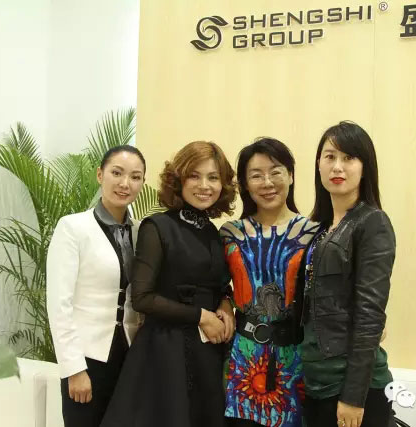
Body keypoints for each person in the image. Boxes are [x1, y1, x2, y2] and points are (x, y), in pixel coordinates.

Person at [101, 141, 237, 427]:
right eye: (194, 176)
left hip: (205, 354)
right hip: (163, 354)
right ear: (179, 179)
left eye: (213, 177)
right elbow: (142, 298)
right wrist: (201, 316)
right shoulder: (157, 227)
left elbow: (219, 284)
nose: (204, 185)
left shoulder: (213, 232)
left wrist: (226, 303)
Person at [300, 121, 396, 427]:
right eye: (329, 157)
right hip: (315, 380)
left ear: (365, 167)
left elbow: (370, 315)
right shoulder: (318, 227)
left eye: (348, 158)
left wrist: (354, 397)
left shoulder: (372, 223)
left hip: (353, 388)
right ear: (318, 164)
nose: (337, 166)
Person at [46, 145, 146, 427]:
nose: (125, 183)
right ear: (100, 175)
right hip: (87, 358)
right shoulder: (73, 228)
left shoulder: (141, 231)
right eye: (117, 173)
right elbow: (59, 304)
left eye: (135, 177)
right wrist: (74, 369)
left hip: (129, 357)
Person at [221, 138, 318, 427]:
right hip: (242, 357)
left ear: (291, 175)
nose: (267, 183)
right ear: (244, 184)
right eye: (256, 175)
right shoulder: (230, 234)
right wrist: (223, 301)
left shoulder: (314, 233)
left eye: (276, 172)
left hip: (296, 359)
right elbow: (212, 283)